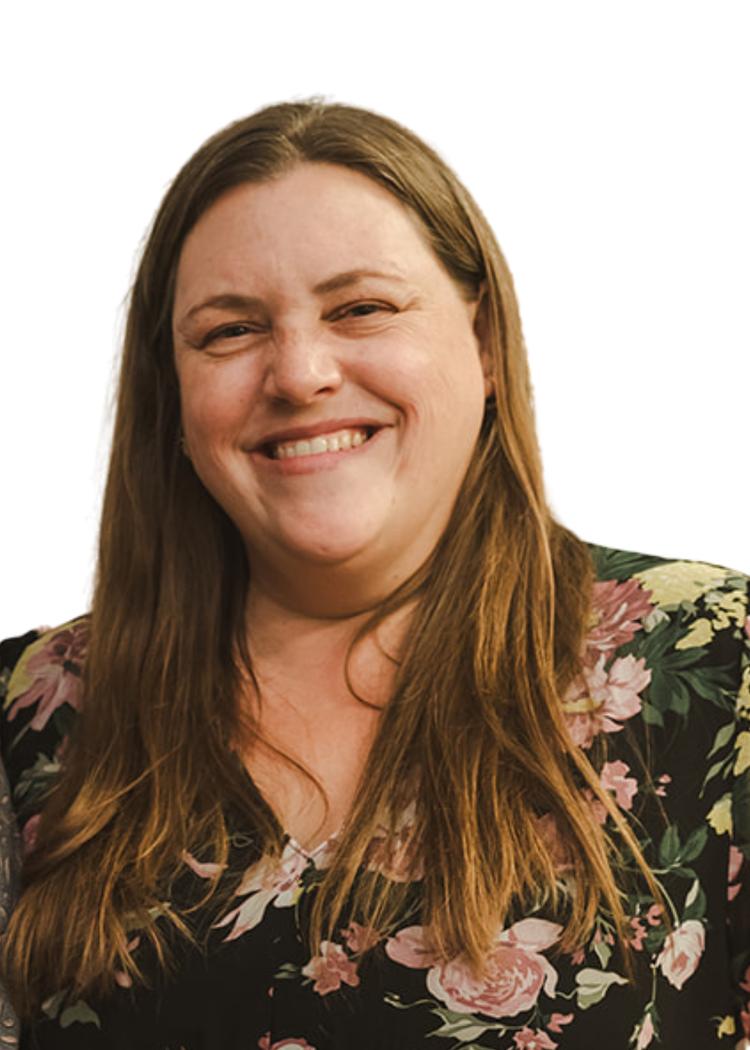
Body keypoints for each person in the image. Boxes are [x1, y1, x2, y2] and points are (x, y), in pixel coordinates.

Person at [0, 99, 747, 1050]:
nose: (299, 373)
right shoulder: (34, 717)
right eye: (229, 331)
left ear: (485, 345)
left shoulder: (719, 665)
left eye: (361, 308)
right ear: (173, 395)